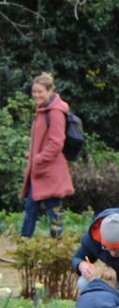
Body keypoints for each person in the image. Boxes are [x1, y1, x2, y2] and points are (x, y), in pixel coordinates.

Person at [20, 72, 74, 239]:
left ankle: (56, 251)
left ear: (50, 91)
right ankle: (24, 246)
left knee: (54, 215)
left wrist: (39, 158)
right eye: (34, 91)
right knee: (30, 209)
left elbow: (57, 142)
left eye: (40, 91)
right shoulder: (42, 110)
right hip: (38, 171)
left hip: (50, 172)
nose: (36, 95)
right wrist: (32, 155)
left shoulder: (55, 112)